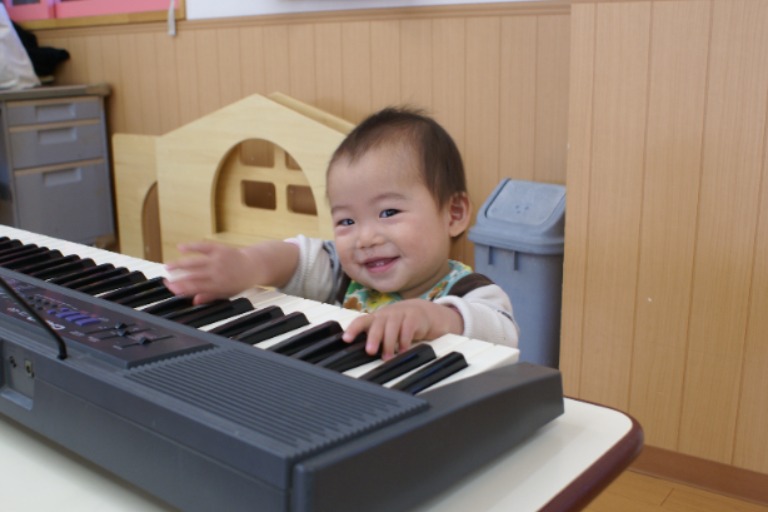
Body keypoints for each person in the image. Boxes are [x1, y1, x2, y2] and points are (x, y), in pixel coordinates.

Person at [165, 107, 519, 360]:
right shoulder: (342, 274)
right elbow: (296, 258)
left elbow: (502, 333)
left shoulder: (472, 292)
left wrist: (431, 317)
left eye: (389, 212)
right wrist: (248, 265)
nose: (365, 239)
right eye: (347, 221)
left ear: (453, 214)